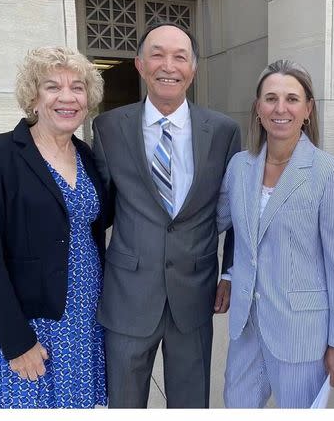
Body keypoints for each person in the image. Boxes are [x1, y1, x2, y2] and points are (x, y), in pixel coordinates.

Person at [92, 21, 241, 408]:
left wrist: (229, 271)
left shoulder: (223, 131)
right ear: (139, 64)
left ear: (193, 68)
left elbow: (238, 210)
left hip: (193, 294)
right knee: (124, 404)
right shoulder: (108, 127)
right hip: (128, 296)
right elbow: (99, 210)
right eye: (157, 54)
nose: (168, 65)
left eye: (180, 56)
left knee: (191, 404)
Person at [0, 46, 107, 408]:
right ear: (33, 96)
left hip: (87, 318)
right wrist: (15, 341)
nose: (67, 97)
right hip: (36, 325)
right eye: (52, 87)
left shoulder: (88, 155)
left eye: (77, 87)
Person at [216, 59, 334, 408]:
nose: (281, 108)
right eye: (271, 98)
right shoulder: (239, 166)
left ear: (308, 109)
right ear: (258, 109)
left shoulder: (332, 175)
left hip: (301, 332)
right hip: (246, 327)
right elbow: (221, 225)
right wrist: (229, 273)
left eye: (292, 99)